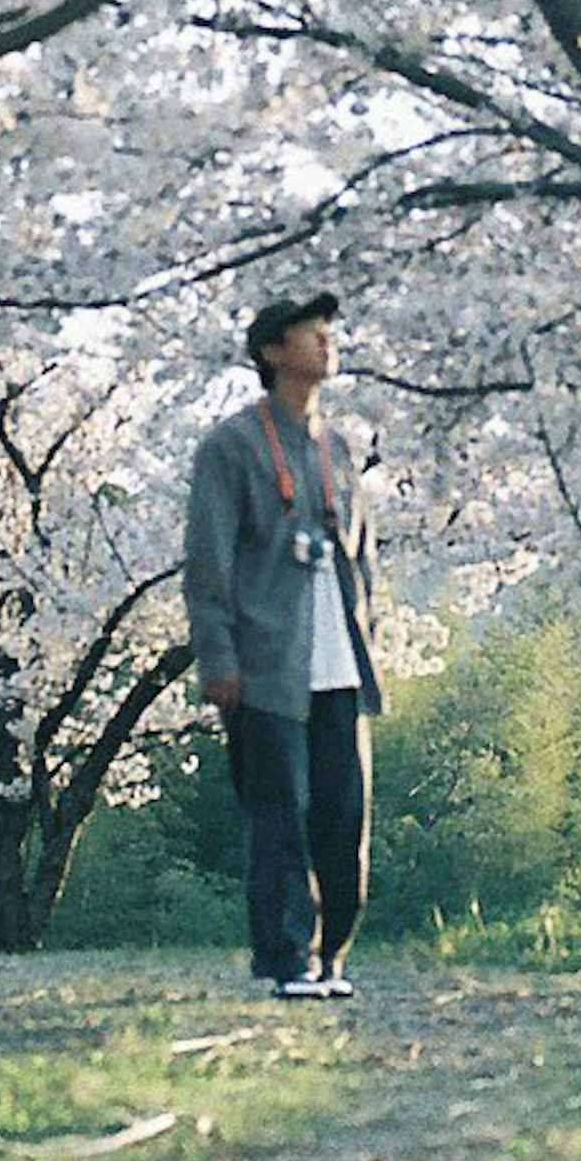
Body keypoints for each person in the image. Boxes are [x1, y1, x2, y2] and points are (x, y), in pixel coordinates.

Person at [182, 289, 382, 998]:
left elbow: (363, 554)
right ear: (273, 352)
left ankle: (331, 954)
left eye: (329, 330)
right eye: (310, 333)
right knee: (281, 814)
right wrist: (218, 657)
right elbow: (208, 561)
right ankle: (287, 956)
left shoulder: (337, 446)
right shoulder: (231, 446)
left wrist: (372, 636)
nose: (326, 341)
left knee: (343, 816)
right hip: (268, 663)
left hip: (340, 659)